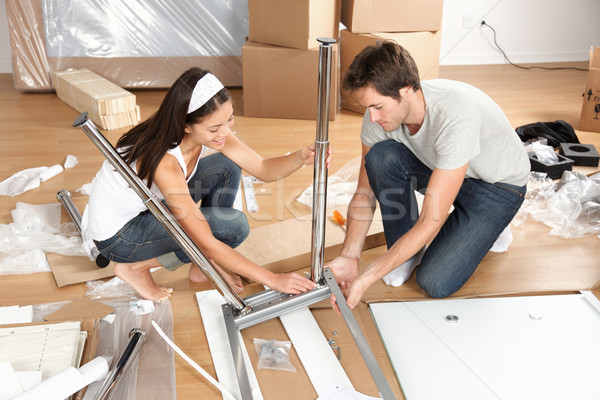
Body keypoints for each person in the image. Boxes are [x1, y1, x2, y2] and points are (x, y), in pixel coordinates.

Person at [81, 67, 331, 301]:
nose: (224, 132)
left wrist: (300, 157)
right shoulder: (165, 163)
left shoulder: (207, 131)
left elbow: (264, 169)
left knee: (227, 166)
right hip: (120, 237)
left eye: (229, 120)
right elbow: (206, 241)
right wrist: (273, 279)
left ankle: (202, 266)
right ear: (185, 125)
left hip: (148, 208)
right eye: (214, 128)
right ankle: (135, 267)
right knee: (234, 227)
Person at [328, 41, 529, 309]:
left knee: (435, 282)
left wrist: (366, 278)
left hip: (497, 187)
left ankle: (494, 226)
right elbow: (364, 194)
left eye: (378, 107)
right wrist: (349, 256)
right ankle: (407, 253)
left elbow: (430, 220)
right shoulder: (377, 117)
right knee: (381, 157)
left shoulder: (455, 115)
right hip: (445, 169)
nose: (372, 118)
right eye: (368, 108)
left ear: (407, 89)